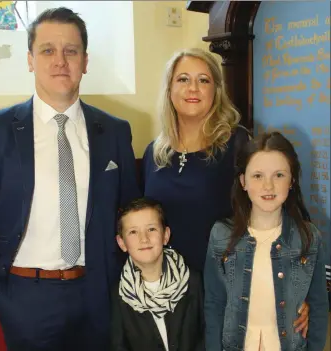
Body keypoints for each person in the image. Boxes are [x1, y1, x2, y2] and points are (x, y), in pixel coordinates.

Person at [0, 7, 139, 351]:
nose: (60, 61)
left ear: (85, 60)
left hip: (99, 296)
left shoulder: (114, 132)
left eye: (71, 51)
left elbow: (131, 215)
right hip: (25, 297)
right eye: (48, 50)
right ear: (30, 59)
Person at [141, 48, 309, 332]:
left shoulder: (237, 144)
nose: (193, 88)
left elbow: (282, 209)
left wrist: (295, 284)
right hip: (167, 290)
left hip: (227, 287)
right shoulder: (154, 153)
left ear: (217, 90)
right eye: (183, 79)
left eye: (204, 80)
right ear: (169, 89)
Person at [204, 131, 329, 351]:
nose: (268, 186)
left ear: (292, 180)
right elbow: (214, 304)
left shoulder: (309, 237)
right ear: (243, 181)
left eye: (279, 175)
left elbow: (318, 307)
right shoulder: (221, 235)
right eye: (257, 175)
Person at [110, 197, 205, 351]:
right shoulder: (119, 294)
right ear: (122, 243)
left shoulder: (194, 281)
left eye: (151, 229)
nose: (144, 239)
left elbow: (207, 335)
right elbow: (118, 346)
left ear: (166, 235)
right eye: (133, 232)